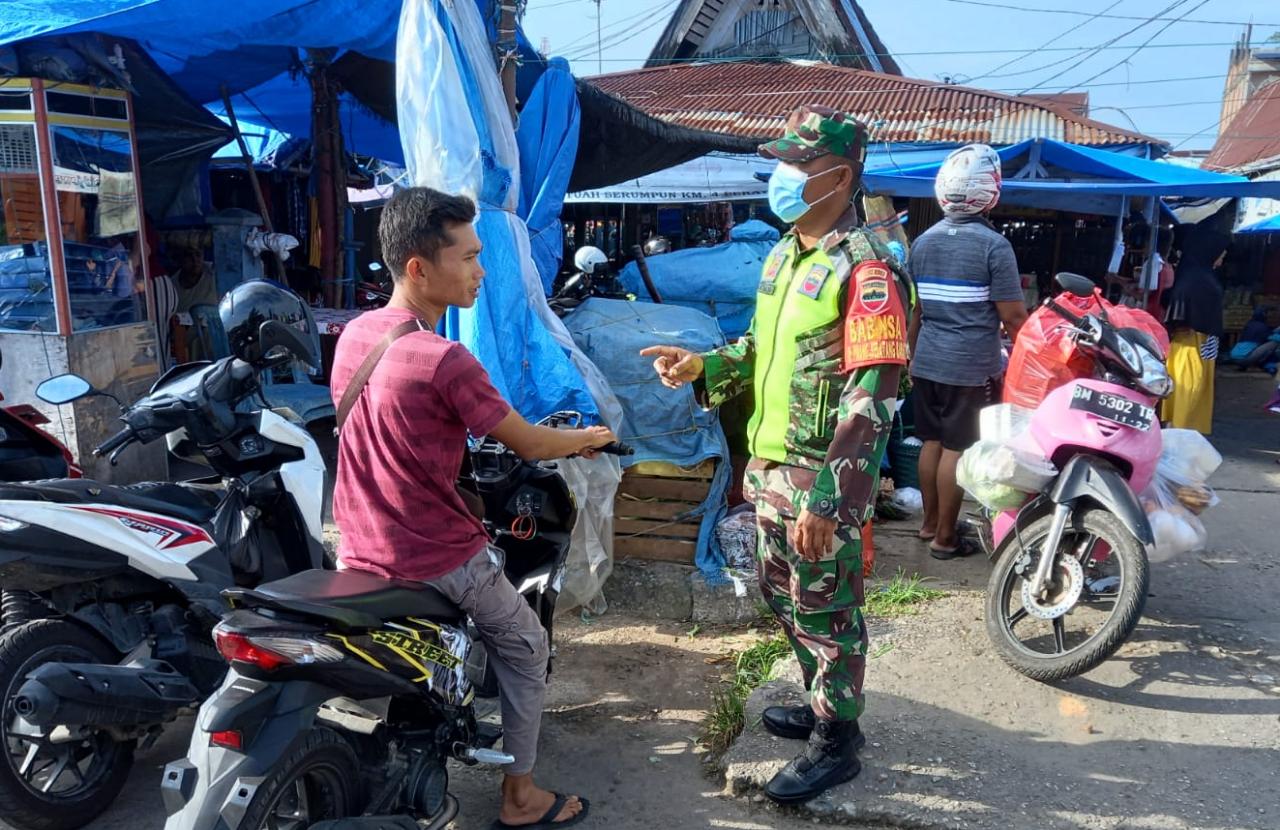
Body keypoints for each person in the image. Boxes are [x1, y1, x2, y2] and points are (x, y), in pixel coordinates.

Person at [641, 105, 913, 804]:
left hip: (818, 475)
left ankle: (838, 739)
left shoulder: (868, 271)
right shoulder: (788, 254)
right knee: (784, 598)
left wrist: (832, 498)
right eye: (781, 161)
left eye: (799, 164)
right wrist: (704, 367)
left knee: (828, 611)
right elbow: (763, 351)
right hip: (766, 467)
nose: (782, 177)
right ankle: (823, 703)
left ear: (841, 176)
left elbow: (872, 395)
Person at [330, 187, 614, 829]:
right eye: (470, 256)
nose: (482, 270)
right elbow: (532, 441)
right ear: (419, 268)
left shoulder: (355, 336)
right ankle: (521, 797)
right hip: (433, 556)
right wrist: (590, 439)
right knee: (525, 643)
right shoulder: (443, 358)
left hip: (357, 549)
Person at [908, 143, 1027, 560]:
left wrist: (910, 355)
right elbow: (1013, 316)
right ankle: (946, 538)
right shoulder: (994, 247)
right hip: (970, 366)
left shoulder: (921, 241)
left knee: (931, 442)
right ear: (990, 191)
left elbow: (917, 310)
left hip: (926, 361)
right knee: (957, 448)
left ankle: (927, 525)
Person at [1162, 224, 1228, 435]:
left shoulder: (1197, 274)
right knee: (1190, 388)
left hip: (1199, 341)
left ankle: (1182, 432)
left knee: (1192, 389)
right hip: (1194, 341)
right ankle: (1181, 434)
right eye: (1220, 254)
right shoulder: (1199, 279)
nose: (1222, 259)